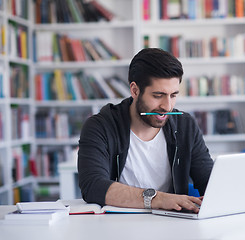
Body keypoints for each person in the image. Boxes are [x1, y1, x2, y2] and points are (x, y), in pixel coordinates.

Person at [78, 48, 214, 213]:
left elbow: (210, 183)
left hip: (172, 224)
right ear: (135, 90)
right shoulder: (100, 127)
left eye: (173, 95)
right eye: (158, 96)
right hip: (116, 225)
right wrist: (159, 199)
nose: (167, 107)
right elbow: (93, 187)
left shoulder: (185, 125)